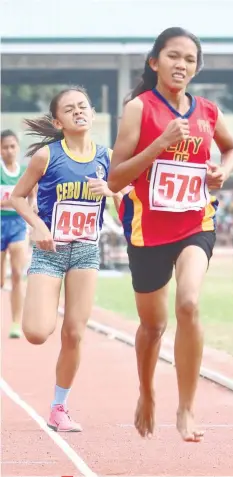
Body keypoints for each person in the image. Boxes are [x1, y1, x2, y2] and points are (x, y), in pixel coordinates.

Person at [108, 27, 233, 442]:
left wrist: (223, 171)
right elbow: (114, 179)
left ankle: (186, 407)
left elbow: (231, 149)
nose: (181, 65)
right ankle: (147, 393)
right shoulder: (139, 110)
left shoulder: (208, 112)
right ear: (154, 62)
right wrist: (159, 145)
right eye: (173, 56)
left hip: (194, 223)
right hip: (148, 231)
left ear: (196, 68)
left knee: (188, 303)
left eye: (189, 59)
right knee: (153, 326)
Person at [11, 86, 123, 432]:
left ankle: (59, 407)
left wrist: (112, 191)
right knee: (36, 332)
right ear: (58, 121)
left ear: (92, 113)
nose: (79, 112)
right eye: (71, 109)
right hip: (50, 252)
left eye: (84, 107)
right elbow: (17, 197)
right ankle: (43, 303)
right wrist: (38, 226)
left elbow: (123, 206)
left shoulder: (108, 156)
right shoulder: (47, 156)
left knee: (74, 333)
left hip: (86, 252)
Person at [0, 129, 36, 339]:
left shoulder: (24, 172)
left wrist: (27, 214)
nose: (9, 150)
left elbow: (32, 196)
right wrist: (9, 202)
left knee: (16, 274)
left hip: (17, 225)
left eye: (13, 146)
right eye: (5, 147)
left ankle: (15, 322)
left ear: (18, 148)